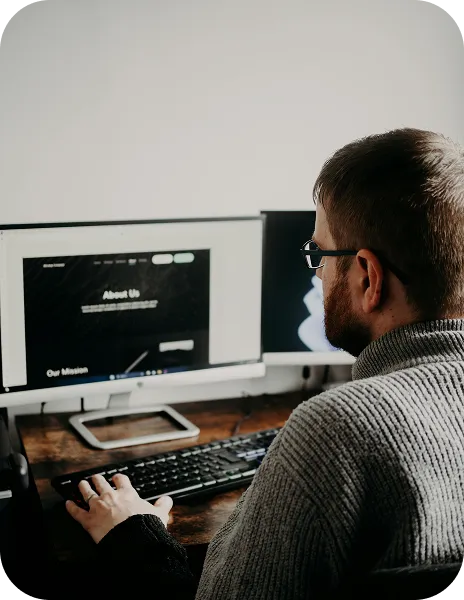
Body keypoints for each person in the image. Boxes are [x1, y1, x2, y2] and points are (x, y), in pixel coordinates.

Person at [66, 128, 464, 598]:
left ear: (368, 278)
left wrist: (134, 532)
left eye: (319, 253)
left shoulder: (338, 427)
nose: (316, 272)